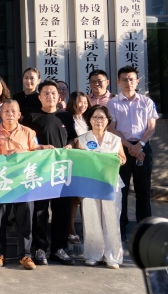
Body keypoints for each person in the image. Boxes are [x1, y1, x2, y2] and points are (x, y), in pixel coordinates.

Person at [22, 80, 78, 266]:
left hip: (62, 170)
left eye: (53, 93)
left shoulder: (66, 116)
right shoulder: (31, 117)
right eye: (45, 93)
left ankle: (58, 249)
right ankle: (40, 248)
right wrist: (40, 147)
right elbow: (27, 143)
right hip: (40, 170)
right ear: (39, 97)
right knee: (40, 211)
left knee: (62, 209)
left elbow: (72, 138)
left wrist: (70, 145)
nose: (50, 96)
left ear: (59, 96)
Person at [108, 66, 158, 240]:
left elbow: (151, 127)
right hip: (121, 149)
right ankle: (120, 231)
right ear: (118, 82)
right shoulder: (113, 103)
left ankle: (144, 232)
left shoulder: (146, 102)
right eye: (124, 79)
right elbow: (111, 128)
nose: (128, 82)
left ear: (137, 81)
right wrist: (131, 146)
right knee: (121, 191)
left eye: (131, 79)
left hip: (143, 147)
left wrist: (140, 145)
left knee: (143, 190)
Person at [75, 105, 127, 268]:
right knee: (91, 217)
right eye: (95, 117)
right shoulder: (82, 139)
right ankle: (93, 254)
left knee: (112, 217)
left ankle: (112, 256)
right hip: (89, 183)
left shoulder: (115, 139)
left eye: (102, 118)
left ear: (107, 120)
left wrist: (118, 160)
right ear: (89, 120)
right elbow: (78, 161)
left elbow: (123, 158)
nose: (98, 121)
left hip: (110, 183)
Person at [0, 99, 39, 270]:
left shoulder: (29, 132)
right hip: (1, 181)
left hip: (23, 182)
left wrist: (21, 152)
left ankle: (25, 255)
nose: (10, 114)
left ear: (19, 114)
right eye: (6, 111)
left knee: (25, 218)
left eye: (13, 112)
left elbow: (36, 154)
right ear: (0, 114)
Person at [66, 90, 91, 244]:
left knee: (87, 197)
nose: (83, 105)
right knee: (74, 198)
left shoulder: (88, 118)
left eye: (85, 102)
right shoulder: (68, 118)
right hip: (75, 161)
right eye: (79, 102)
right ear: (73, 103)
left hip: (89, 162)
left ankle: (87, 228)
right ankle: (71, 229)